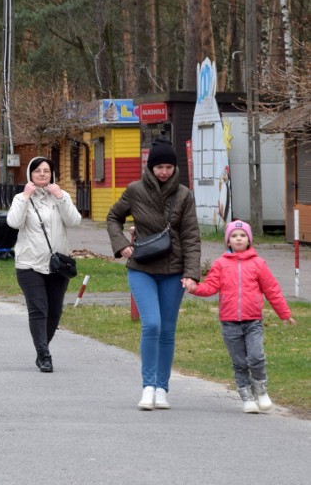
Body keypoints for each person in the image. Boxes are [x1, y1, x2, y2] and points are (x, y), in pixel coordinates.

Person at [107, 137, 201, 410]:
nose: (163, 172)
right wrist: (122, 243)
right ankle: (148, 386)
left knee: (168, 331)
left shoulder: (184, 195)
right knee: (152, 325)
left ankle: (162, 388)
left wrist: (192, 273)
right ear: (150, 167)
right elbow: (114, 217)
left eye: (168, 167)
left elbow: (191, 236)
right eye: (159, 166)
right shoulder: (135, 190)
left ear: (174, 168)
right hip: (142, 267)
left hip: (174, 271)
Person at [183, 220, 297, 413]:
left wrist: (284, 313)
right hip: (229, 323)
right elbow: (210, 286)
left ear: (249, 240)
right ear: (228, 241)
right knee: (240, 362)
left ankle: (261, 391)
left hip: (253, 321)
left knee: (256, 357)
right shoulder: (220, 264)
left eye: (242, 235)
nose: (238, 238)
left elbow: (272, 290)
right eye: (234, 236)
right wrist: (195, 288)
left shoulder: (258, 264)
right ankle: (246, 397)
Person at [6, 157, 81, 373]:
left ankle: (42, 348)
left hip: (58, 265)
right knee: (38, 309)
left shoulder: (61, 196)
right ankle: (44, 355)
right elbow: (13, 222)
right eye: (37, 170)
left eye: (46, 171)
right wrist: (26, 196)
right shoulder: (21, 198)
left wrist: (60, 197)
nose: (42, 174)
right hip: (29, 264)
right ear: (30, 174)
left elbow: (74, 221)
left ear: (52, 174)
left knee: (54, 311)